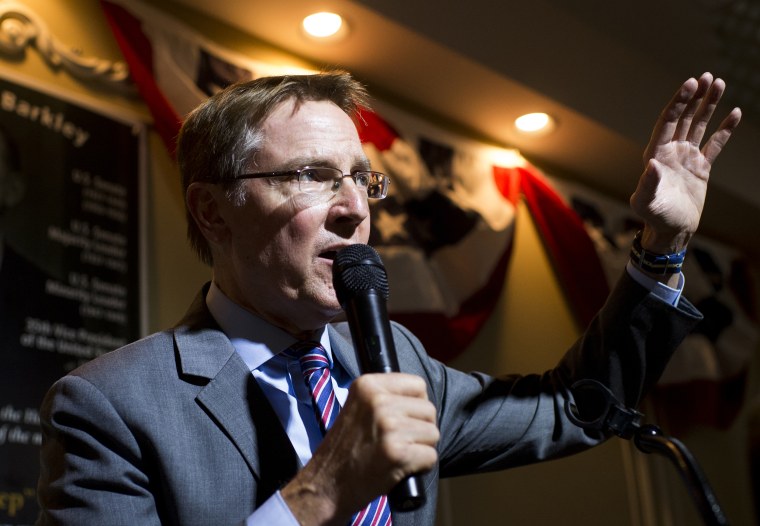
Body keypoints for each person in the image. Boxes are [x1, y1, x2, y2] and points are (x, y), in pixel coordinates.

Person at [35, 70, 741, 526]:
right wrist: (319, 493)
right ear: (214, 211)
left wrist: (662, 246)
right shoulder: (111, 406)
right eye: (313, 176)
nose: (354, 211)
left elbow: (574, 408)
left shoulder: (396, 358)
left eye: (362, 181)